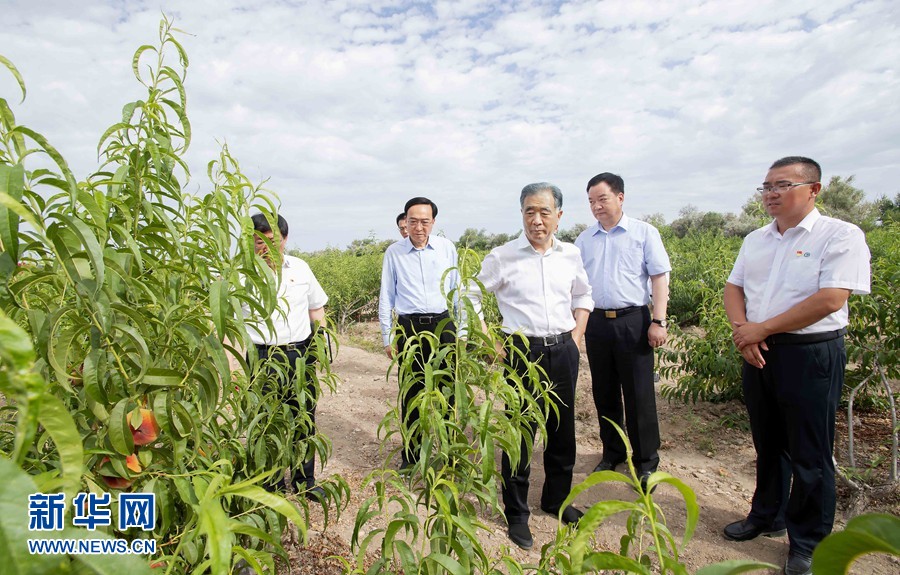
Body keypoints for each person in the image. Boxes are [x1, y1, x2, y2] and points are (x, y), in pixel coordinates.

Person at [723, 157, 870, 575]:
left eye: (782, 185)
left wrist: (760, 329)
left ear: (814, 189)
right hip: (758, 349)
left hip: (810, 353)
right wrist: (745, 332)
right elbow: (733, 287)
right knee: (768, 442)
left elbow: (830, 299)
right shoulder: (756, 239)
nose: (771, 193)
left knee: (810, 452)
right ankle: (767, 515)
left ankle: (808, 542)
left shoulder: (840, 235)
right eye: (766, 186)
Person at [468, 182, 593, 550]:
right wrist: (488, 339)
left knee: (562, 430)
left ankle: (557, 500)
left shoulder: (570, 254)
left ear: (559, 216)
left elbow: (584, 294)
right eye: (529, 212)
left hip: (564, 349)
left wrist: (577, 335)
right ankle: (517, 513)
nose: (537, 220)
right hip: (522, 353)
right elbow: (469, 295)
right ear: (521, 214)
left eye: (544, 212)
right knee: (520, 433)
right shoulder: (503, 256)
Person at [574, 172, 670, 493]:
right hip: (597, 322)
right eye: (591, 201)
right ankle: (612, 451)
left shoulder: (644, 233)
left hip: (633, 321)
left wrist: (659, 321)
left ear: (620, 197)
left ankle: (646, 461)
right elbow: (576, 284)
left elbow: (659, 277)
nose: (596, 206)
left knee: (639, 393)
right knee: (604, 392)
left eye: (602, 199)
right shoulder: (585, 240)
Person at [245, 213, 329, 498]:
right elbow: (229, 324)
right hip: (262, 358)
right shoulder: (241, 275)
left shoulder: (300, 268)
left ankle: (305, 481)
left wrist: (321, 346)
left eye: (274, 241)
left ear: (285, 239)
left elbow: (316, 309)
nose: (267, 248)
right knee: (266, 420)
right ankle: (270, 483)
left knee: (303, 417)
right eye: (260, 242)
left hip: (299, 355)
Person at [378, 197, 459, 468]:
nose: (419, 227)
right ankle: (411, 459)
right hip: (409, 327)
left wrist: (462, 331)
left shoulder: (446, 248)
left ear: (433, 222)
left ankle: (448, 456)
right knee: (412, 392)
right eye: (413, 222)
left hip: (443, 325)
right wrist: (388, 336)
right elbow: (386, 296)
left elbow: (456, 290)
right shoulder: (394, 253)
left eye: (425, 221)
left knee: (447, 392)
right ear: (405, 222)